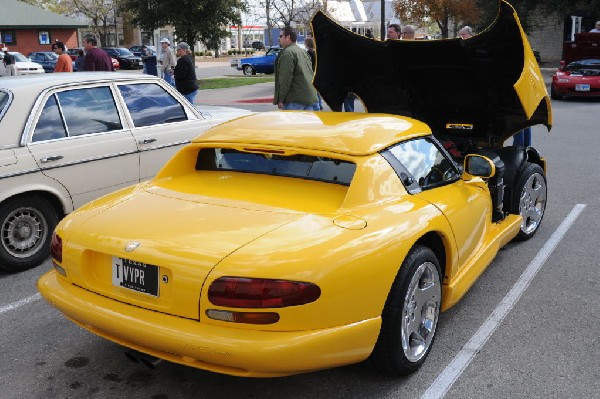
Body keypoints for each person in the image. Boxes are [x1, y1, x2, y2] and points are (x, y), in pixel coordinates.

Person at [273, 26, 318, 110]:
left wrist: (280, 99)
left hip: (295, 100)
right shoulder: (303, 52)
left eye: (280, 36)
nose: (279, 39)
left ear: (288, 37)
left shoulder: (288, 53)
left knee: (292, 123)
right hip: (309, 98)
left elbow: (285, 78)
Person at [304, 37, 322, 111]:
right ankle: (319, 105)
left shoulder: (309, 53)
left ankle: (317, 106)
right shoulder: (316, 51)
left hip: (312, 73)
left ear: (307, 44)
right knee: (317, 91)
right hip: (317, 73)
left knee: (313, 91)